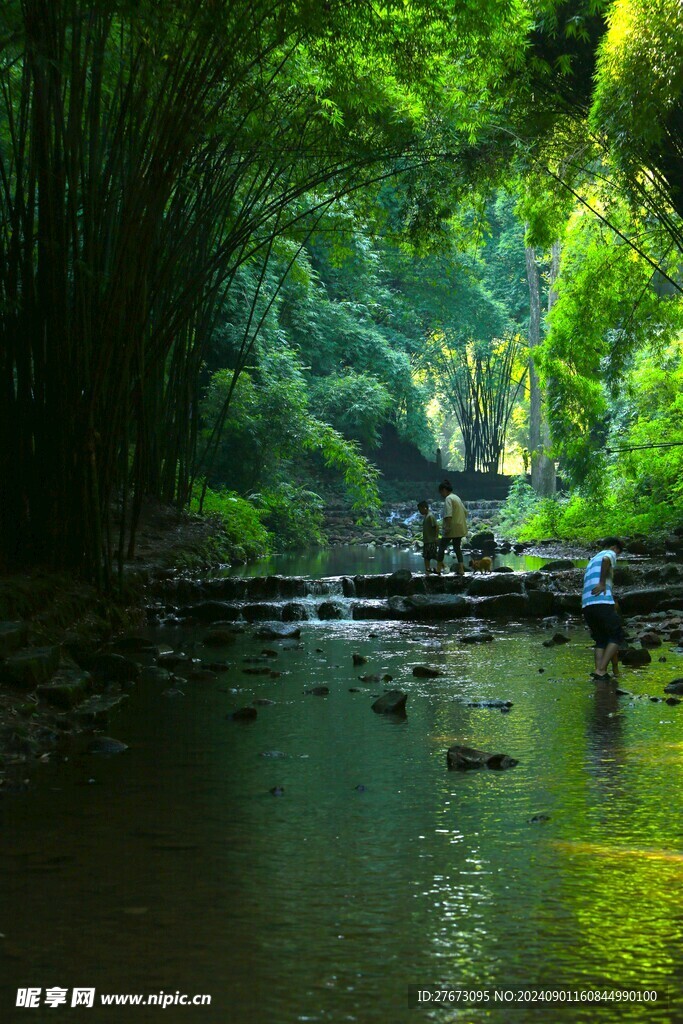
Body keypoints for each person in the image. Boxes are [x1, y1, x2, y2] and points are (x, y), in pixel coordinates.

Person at [581, 538, 625, 681]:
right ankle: (601, 670)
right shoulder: (609, 553)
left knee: (601, 639)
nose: (617, 555)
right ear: (614, 547)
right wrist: (601, 583)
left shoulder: (592, 559)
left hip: (587, 604)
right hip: (600, 601)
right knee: (617, 635)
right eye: (618, 552)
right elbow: (607, 560)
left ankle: (599, 672)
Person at [435, 480, 467, 575]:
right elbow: (465, 512)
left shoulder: (448, 499)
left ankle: (438, 568)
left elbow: (448, 514)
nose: (441, 494)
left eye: (441, 492)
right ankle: (461, 569)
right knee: (457, 548)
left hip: (451, 528)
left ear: (444, 490)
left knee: (441, 547)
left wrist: (447, 527)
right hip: (460, 527)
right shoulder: (456, 497)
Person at [418, 500, 439, 574]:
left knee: (434, 555)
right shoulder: (426, 516)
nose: (419, 511)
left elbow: (436, 527)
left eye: (420, 509)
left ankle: (444, 566)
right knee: (426, 556)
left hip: (431, 540)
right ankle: (427, 570)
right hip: (426, 540)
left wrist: (436, 537)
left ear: (425, 508)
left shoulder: (430, 516)